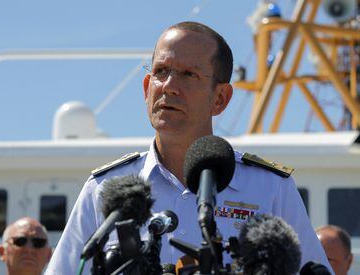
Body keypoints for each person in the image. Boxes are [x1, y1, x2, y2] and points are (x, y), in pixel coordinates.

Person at [45, 21, 332, 274]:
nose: (169, 86)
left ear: (220, 98)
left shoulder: (271, 189)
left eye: (188, 74)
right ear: (147, 88)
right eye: (161, 71)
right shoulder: (105, 190)